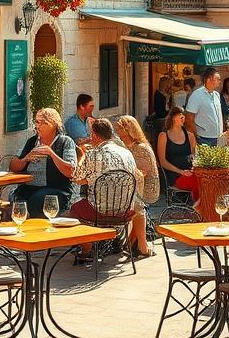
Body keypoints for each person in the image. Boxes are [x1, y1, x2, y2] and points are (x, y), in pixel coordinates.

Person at [70, 119, 144, 261]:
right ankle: (113, 241)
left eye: (92, 134)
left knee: (72, 212)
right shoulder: (127, 153)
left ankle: (88, 250)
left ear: (96, 136)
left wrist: (82, 155)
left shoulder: (93, 154)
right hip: (124, 209)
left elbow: (76, 177)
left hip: (99, 210)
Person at [10, 107, 77, 219]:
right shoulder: (32, 141)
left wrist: (51, 154)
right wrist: (26, 158)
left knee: (37, 200)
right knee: (16, 200)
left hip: (56, 189)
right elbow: (13, 167)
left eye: (43, 123)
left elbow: (71, 171)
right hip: (29, 188)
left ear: (54, 124)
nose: (38, 126)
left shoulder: (65, 142)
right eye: (37, 122)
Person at [114, 115, 159, 258]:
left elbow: (142, 174)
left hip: (145, 188)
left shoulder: (141, 148)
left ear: (128, 130)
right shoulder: (122, 146)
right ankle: (133, 244)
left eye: (120, 128)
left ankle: (141, 245)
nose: (117, 131)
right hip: (130, 186)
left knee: (136, 205)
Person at [156, 106, 198, 200]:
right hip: (174, 175)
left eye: (184, 115)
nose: (183, 117)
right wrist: (181, 172)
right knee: (201, 184)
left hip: (189, 173)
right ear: (173, 118)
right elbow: (162, 162)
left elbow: (194, 157)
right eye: (180, 115)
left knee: (207, 180)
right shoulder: (164, 136)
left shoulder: (190, 136)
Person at [185, 66, 224, 146]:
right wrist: (195, 137)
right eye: (218, 79)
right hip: (203, 139)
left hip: (218, 138)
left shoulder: (216, 95)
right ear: (209, 79)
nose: (219, 81)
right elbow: (189, 118)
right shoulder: (197, 95)